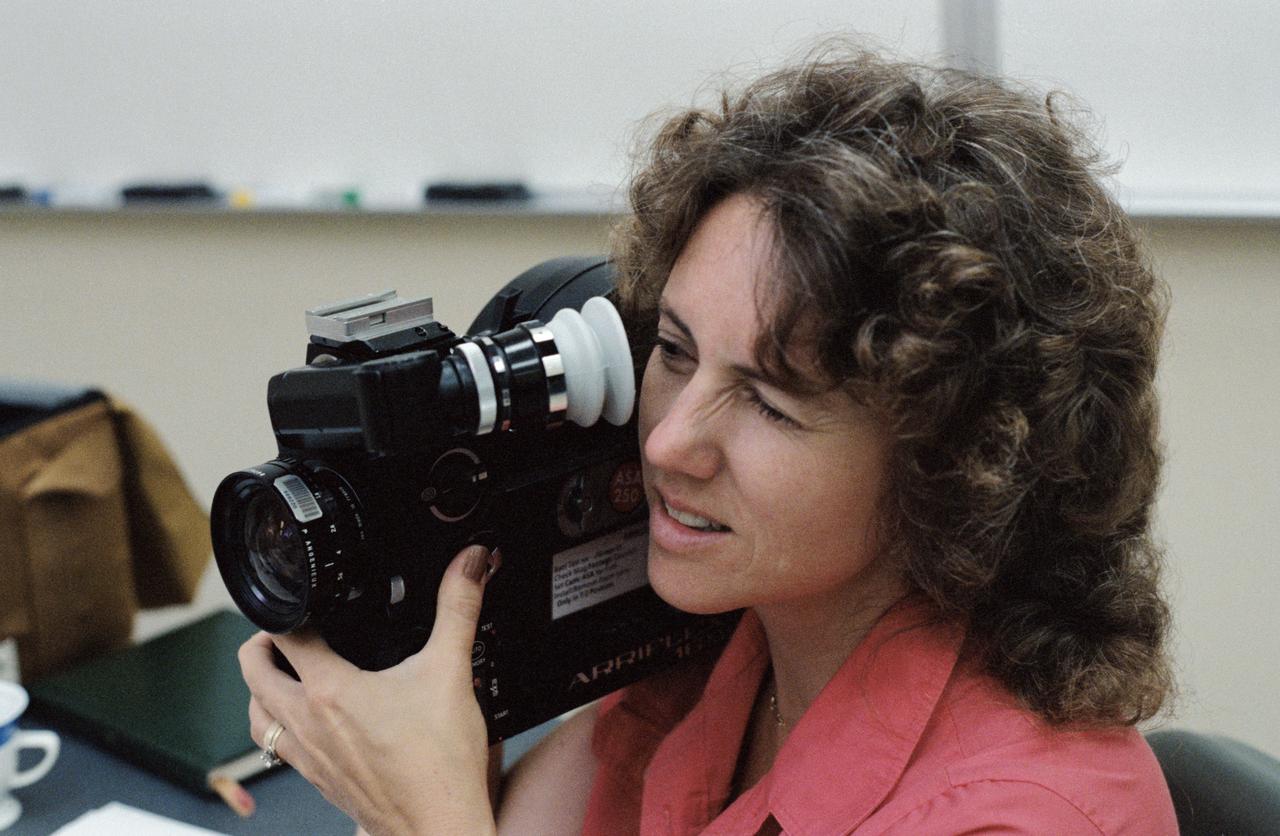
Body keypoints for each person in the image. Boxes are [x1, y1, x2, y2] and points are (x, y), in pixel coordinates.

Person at [239, 47, 1178, 834]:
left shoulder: (1029, 817)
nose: (668, 445)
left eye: (769, 404)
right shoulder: (718, 662)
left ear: (959, 464)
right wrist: (435, 747)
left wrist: (426, 821)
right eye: (676, 353)